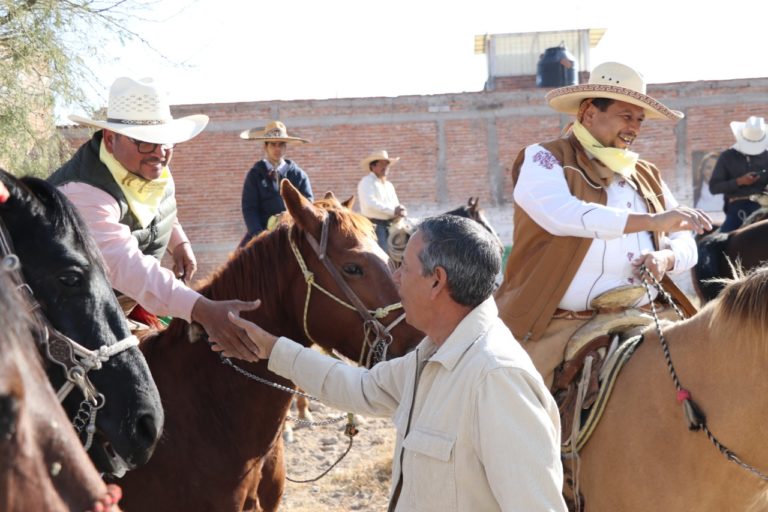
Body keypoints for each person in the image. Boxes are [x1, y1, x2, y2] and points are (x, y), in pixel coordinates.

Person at [227, 215, 567, 512]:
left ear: (437, 280)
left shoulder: (497, 378)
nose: (394, 278)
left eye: (403, 266)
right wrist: (272, 348)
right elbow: (360, 388)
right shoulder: (433, 352)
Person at [494, 61, 712, 386]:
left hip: (647, 313)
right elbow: (563, 214)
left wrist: (666, 258)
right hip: (556, 325)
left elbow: (685, 237)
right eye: (626, 116)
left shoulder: (645, 172)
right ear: (588, 113)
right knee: (512, 405)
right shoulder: (544, 158)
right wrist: (651, 221)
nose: (634, 128)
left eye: (639, 120)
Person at [48, 76, 259, 361]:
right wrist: (201, 309)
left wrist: (178, 242)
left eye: (165, 141)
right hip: (64, 318)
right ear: (111, 140)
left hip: (116, 301)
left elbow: (152, 204)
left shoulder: (144, 165)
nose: (160, 152)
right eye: (146, 142)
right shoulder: (82, 193)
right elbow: (125, 265)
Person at [239, 120, 313, 245]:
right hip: (262, 236)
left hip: (294, 235)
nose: (277, 148)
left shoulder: (299, 175)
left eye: (281, 144)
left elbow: (308, 206)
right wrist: (260, 236)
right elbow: (249, 209)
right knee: (237, 262)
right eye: (273, 144)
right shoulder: (254, 175)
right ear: (265, 146)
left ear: (286, 147)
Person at [708, 115, 768, 232]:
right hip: (739, 208)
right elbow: (714, 187)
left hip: (765, 206)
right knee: (719, 244)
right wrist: (739, 181)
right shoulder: (728, 157)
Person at [357, 150, 407, 252]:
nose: (385, 167)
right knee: (382, 255)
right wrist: (393, 211)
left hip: (391, 225)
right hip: (374, 226)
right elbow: (370, 203)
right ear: (373, 166)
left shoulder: (389, 185)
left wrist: (401, 210)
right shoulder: (366, 182)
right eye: (382, 164)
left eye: (387, 164)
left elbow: (395, 204)